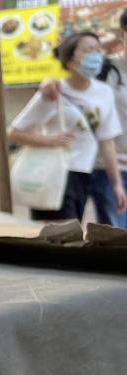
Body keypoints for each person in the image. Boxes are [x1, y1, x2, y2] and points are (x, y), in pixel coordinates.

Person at [9, 31, 126, 222]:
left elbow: (107, 143)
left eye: (98, 50)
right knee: (59, 238)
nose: (96, 56)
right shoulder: (54, 91)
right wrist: (49, 140)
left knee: (70, 235)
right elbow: (13, 133)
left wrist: (116, 185)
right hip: (54, 173)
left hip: (84, 175)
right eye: (89, 50)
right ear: (70, 61)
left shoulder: (104, 93)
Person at [39, 13, 127, 226]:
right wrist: (48, 82)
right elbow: (71, 82)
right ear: (124, 34)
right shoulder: (107, 69)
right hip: (110, 167)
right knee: (117, 237)